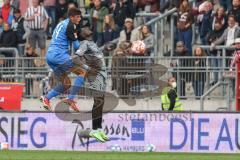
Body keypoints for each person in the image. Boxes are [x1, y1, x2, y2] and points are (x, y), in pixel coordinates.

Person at [40, 8, 87, 112]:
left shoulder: (61, 23)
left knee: (66, 84)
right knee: (83, 72)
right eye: (77, 17)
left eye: (80, 16)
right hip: (59, 55)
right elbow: (76, 46)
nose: (79, 19)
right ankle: (70, 99)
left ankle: (46, 98)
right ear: (71, 17)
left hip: (50, 56)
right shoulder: (71, 25)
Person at [74, 27, 109, 143]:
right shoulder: (84, 43)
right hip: (95, 74)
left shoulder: (92, 43)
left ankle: (98, 128)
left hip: (102, 74)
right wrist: (88, 68)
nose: (88, 29)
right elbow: (76, 58)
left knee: (101, 101)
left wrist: (107, 48)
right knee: (98, 100)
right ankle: (95, 129)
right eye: (85, 29)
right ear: (82, 34)